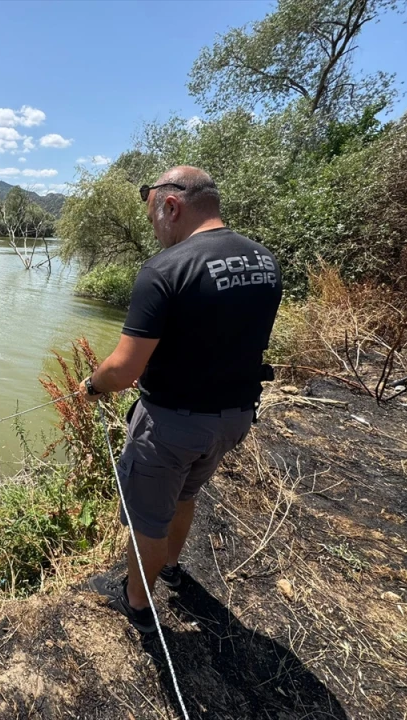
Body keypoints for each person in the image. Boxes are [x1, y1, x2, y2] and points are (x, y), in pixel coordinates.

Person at [82, 166, 282, 634]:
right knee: (186, 494)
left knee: (147, 517)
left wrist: (92, 386)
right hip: (233, 419)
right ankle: (170, 568)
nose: (154, 230)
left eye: (152, 216)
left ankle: (136, 602)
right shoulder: (264, 261)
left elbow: (123, 370)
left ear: (171, 206)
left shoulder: (165, 269)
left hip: (172, 425)